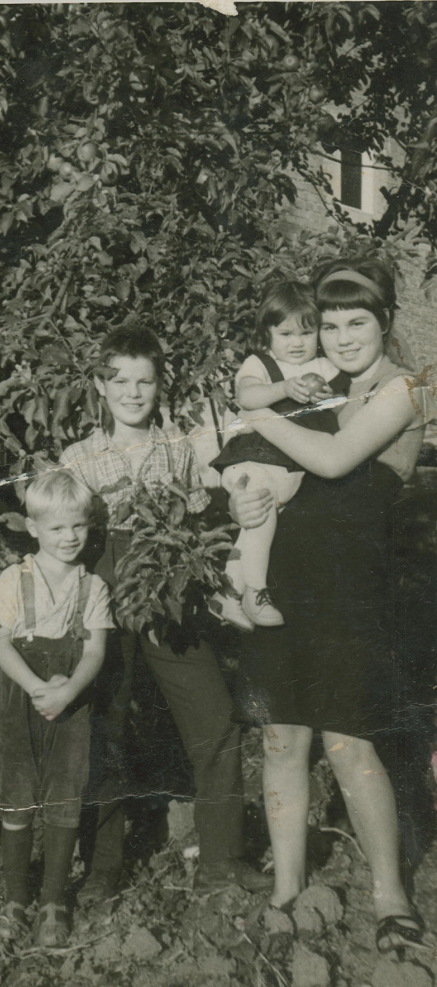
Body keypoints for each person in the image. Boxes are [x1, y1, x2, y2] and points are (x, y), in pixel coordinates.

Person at [228, 258, 436, 954]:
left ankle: (390, 896)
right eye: (332, 325)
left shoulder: (408, 386)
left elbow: (334, 458)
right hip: (288, 574)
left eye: (358, 323)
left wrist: (256, 410)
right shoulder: (320, 384)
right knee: (282, 737)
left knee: (349, 738)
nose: (342, 338)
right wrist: (244, 499)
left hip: (351, 583)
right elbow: (269, 470)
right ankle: (287, 889)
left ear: (386, 322)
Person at [60, 326, 272, 904]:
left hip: (168, 594)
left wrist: (234, 504)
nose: (133, 393)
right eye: (120, 382)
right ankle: (102, 865)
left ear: (159, 386)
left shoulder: (178, 448)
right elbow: (63, 538)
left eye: (145, 382)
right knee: (105, 724)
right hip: (103, 596)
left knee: (215, 717)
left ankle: (221, 860)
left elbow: (201, 518)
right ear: (100, 386)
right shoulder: (78, 458)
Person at [0, 470, 113, 947]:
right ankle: (15, 900)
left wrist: (68, 690)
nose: (69, 537)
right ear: (32, 527)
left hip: (71, 700)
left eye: (78, 526)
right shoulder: (13, 579)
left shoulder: (92, 587)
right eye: (57, 527)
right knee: (17, 793)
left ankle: (53, 901)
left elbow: (95, 652)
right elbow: (0, 644)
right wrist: (38, 687)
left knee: (65, 793)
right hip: (19, 697)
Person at [210, 281, 349, 630]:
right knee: (260, 506)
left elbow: (344, 405)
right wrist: (284, 388)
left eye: (306, 332)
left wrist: (329, 399)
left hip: (289, 468)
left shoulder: (324, 366)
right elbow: (247, 397)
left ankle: (227, 594)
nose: (297, 343)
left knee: (257, 523)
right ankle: (256, 591)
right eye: (286, 334)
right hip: (253, 459)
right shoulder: (261, 363)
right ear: (267, 334)